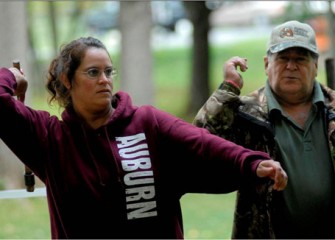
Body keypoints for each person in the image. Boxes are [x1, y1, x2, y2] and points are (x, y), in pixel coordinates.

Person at [0, 37, 287, 239]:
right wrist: (12, 74)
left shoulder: (147, 123)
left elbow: (202, 144)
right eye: (93, 72)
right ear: (67, 80)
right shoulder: (49, 139)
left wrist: (252, 162)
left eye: (109, 71)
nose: (105, 80)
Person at [194, 20, 335, 239]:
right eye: (283, 58)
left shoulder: (333, 108)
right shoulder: (245, 112)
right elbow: (200, 144)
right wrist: (227, 90)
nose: (291, 66)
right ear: (267, 63)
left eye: (300, 58)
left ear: (315, 65)